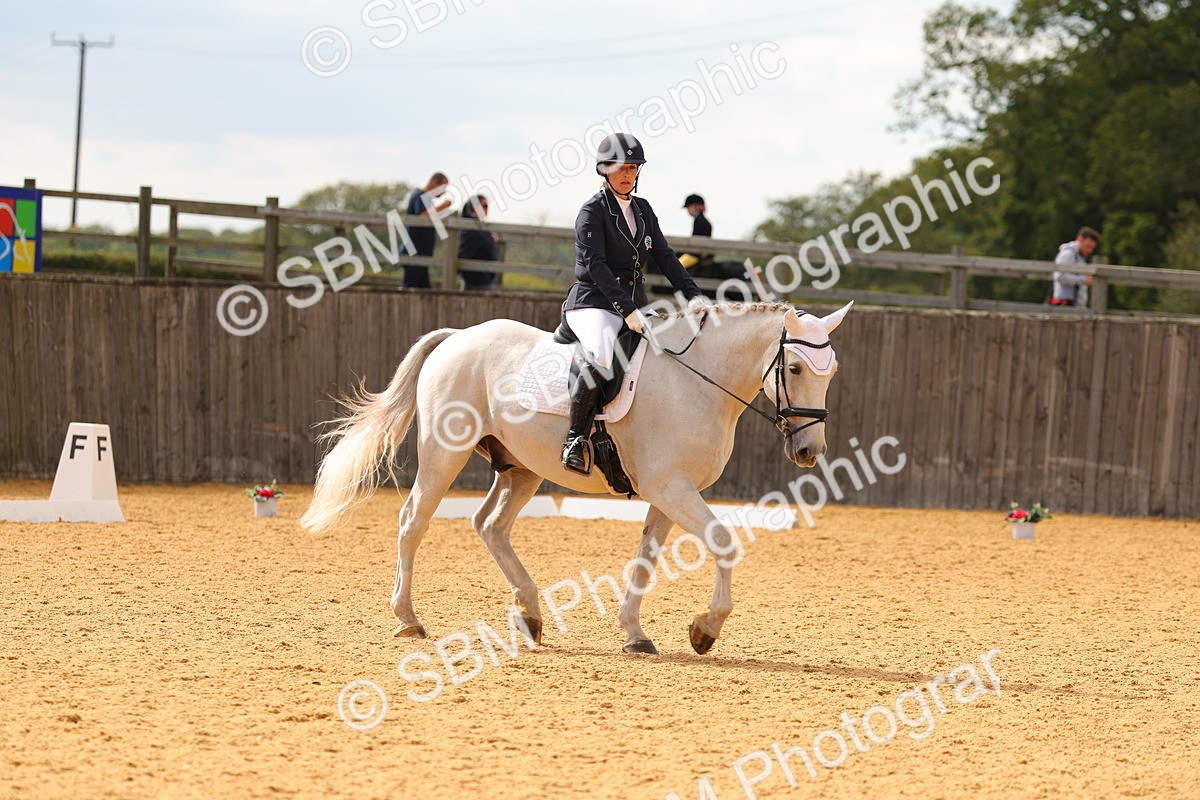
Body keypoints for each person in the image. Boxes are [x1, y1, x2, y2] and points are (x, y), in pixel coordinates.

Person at [559, 132, 709, 475]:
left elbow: (665, 256)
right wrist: (627, 310)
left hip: (634, 303)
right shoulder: (591, 211)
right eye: (620, 168)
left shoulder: (642, 209)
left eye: (633, 167)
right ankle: (574, 439)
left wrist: (693, 294)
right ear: (604, 170)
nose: (627, 174)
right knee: (600, 352)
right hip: (594, 303)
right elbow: (594, 267)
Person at [402, 172, 452, 289]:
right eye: (443, 188)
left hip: (420, 252)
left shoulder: (424, 197)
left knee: (424, 289)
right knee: (410, 287)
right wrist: (443, 206)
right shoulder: (420, 195)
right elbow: (423, 216)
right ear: (434, 183)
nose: (444, 192)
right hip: (415, 252)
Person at [1049, 227, 1099, 307]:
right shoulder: (1068, 254)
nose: (1090, 251)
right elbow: (1059, 276)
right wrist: (1083, 279)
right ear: (1080, 239)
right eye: (1088, 246)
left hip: (1073, 304)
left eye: (1091, 248)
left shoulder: (1079, 256)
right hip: (1065, 303)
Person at [457, 195, 498, 291]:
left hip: (478, 278)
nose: (487, 209)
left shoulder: (476, 227)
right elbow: (464, 253)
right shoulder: (472, 228)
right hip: (478, 280)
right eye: (485, 206)